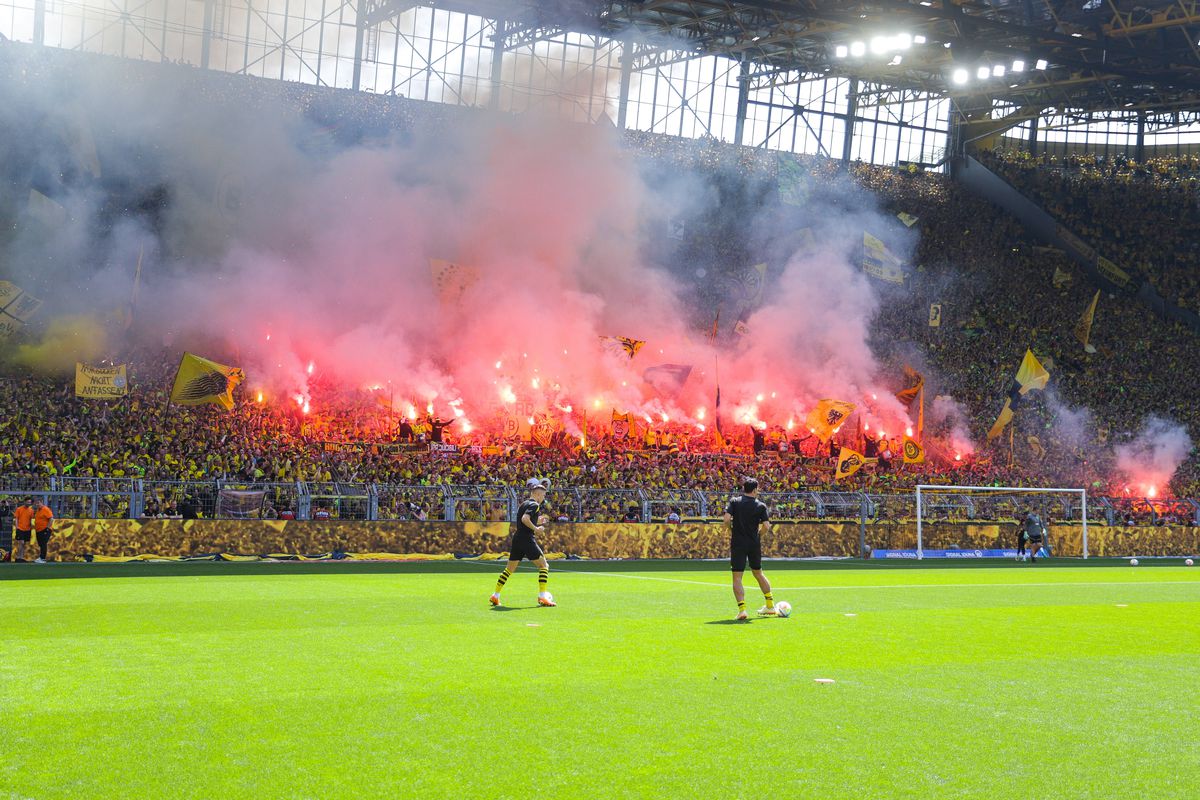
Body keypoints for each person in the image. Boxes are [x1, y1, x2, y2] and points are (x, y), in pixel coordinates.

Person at [490, 478, 556, 608]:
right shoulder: (535, 505)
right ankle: (543, 596)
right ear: (537, 494)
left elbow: (524, 519)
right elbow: (525, 519)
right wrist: (536, 528)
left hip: (517, 538)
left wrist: (537, 521)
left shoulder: (524, 504)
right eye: (543, 495)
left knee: (509, 569)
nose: (543, 498)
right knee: (544, 566)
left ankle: (495, 595)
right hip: (527, 538)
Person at [724, 478, 776, 620]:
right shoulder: (761, 505)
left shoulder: (735, 502)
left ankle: (742, 610)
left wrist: (731, 530)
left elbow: (726, 520)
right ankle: (770, 606)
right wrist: (758, 535)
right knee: (759, 573)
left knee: (737, 577)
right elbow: (766, 526)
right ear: (754, 490)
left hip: (738, 543)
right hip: (754, 543)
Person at [12, 498, 33, 563]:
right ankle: (18, 557)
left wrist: (31, 528)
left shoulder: (31, 510)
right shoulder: (19, 509)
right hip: (20, 528)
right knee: (21, 543)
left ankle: (21, 557)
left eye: (30, 502)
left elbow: (31, 520)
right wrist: (17, 527)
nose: (29, 503)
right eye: (28, 502)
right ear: (24, 502)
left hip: (27, 529)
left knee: (24, 544)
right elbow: (16, 518)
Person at [32, 498, 53, 564]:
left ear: (42, 502)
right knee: (41, 544)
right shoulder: (38, 510)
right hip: (39, 530)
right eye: (36, 503)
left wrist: (47, 528)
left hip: (44, 529)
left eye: (38, 503)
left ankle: (43, 558)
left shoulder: (45, 509)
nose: (37, 504)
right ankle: (41, 557)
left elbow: (51, 519)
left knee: (43, 543)